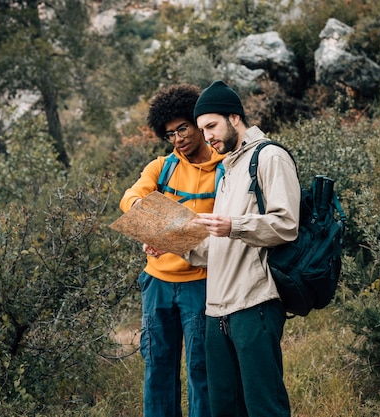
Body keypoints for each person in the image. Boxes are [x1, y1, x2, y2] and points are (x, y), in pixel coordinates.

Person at [188, 80, 301, 417]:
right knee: (224, 408)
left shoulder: (269, 156)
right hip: (216, 311)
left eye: (211, 126)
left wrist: (234, 225)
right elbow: (220, 245)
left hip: (255, 305)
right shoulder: (227, 169)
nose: (206, 136)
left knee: (264, 407)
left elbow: (287, 224)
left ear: (234, 118)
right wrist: (173, 246)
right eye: (202, 129)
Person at [119, 83, 225, 417]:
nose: (178, 138)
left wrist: (166, 233)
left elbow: (225, 223)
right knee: (158, 369)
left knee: (201, 369)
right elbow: (130, 200)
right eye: (170, 133)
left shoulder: (225, 169)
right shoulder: (161, 167)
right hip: (157, 286)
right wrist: (159, 228)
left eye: (182, 128)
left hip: (202, 283)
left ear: (198, 123)